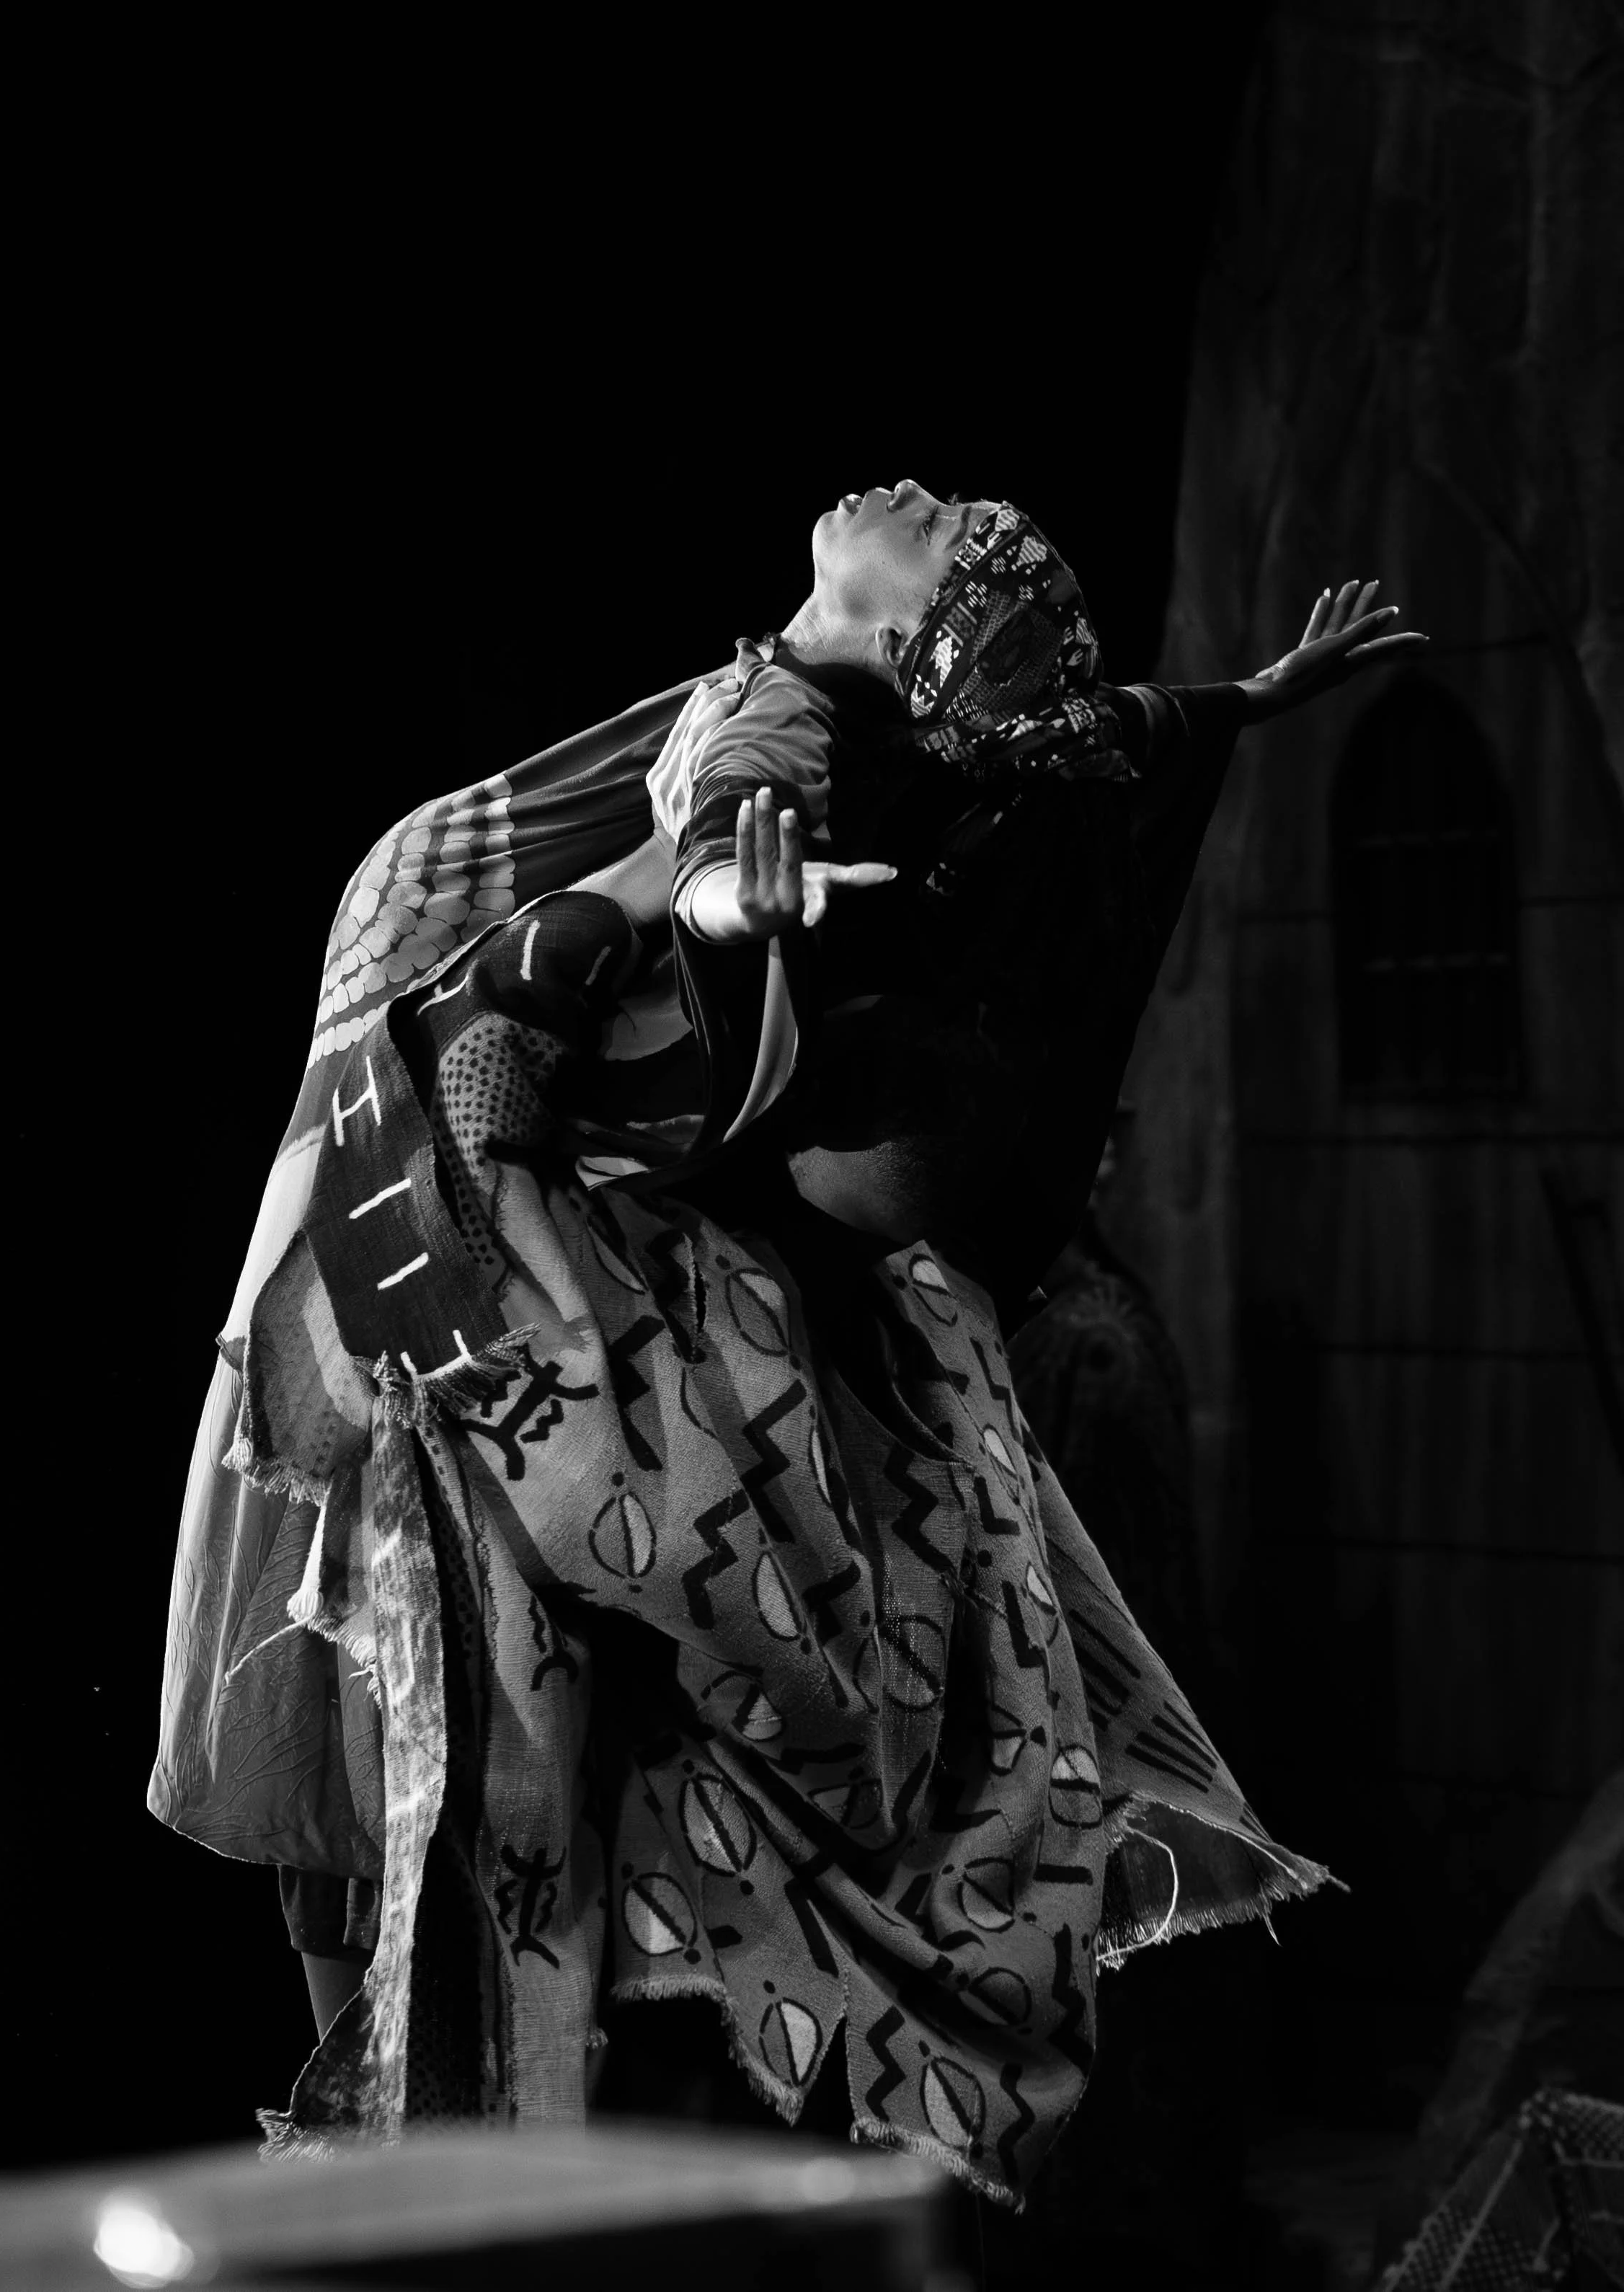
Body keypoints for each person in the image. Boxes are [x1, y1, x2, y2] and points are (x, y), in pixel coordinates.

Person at [150, 480, 1423, 2204]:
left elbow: (707, 844)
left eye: (947, 526)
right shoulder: (868, 714)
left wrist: (719, 918)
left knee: (370, 1640)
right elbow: (1078, 729)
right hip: (407, 1083)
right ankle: (394, 2112)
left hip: (430, 1121)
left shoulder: (779, 728)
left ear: (914, 632)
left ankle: (411, 2134)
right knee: (348, 1652)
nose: (913, 491)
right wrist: (1245, 699)